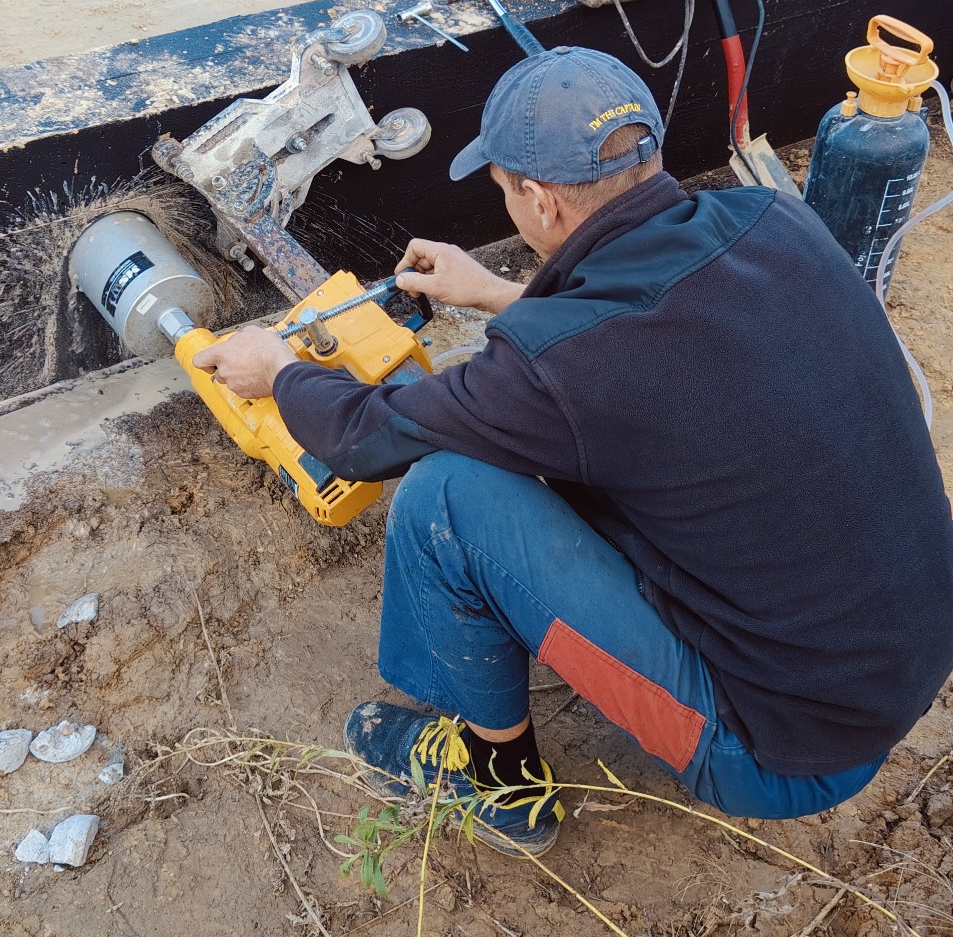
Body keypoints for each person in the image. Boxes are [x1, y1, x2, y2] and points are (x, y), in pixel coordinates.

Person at [194, 47, 953, 854]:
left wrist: (276, 373)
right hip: (899, 665)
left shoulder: (561, 370)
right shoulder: (772, 220)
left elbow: (361, 438)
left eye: (505, 192)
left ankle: (498, 787)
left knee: (445, 497)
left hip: (780, 751)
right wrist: (492, 293)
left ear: (540, 200)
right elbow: (657, 343)